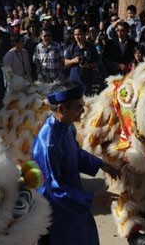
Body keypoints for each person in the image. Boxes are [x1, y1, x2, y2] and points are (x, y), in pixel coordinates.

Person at [32, 82, 120, 245]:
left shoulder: (67, 128)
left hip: (73, 200)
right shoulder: (48, 144)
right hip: (58, 210)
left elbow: (76, 153)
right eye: (78, 107)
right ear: (61, 109)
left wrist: (101, 165)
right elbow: (54, 189)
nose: (82, 111)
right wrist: (90, 198)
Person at [64, 24, 99, 95]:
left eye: (79, 34)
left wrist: (88, 65)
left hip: (86, 82)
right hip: (74, 81)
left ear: (84, 34)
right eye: (75, 34)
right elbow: (65, 62)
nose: (77, 37)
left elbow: (97, 63)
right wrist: (73, 60)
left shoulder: (91, 48)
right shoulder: (71, 48)